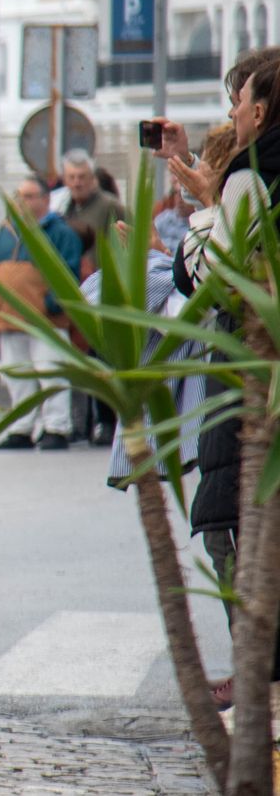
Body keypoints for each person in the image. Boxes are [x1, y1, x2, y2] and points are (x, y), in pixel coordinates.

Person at [172, 50, 280, 709]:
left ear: (260, 112)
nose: (232, 113)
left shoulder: (250, 175)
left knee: (232, 522)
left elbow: (213, 279)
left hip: (246, 371)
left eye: (237, 101)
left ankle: (257, 672)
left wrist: (205, 211)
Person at [0, 176, 82, 450]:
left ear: (45, 199)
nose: (22, 202)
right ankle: (21, 428)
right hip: (8, 318)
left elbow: (68, 272)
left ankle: (56, 428)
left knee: (51, 372)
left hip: (45, 321)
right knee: (16, 374)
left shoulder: (60, 233)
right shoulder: (4, 233)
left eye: (29, 196)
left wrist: (52, 305)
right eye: (20, 196)